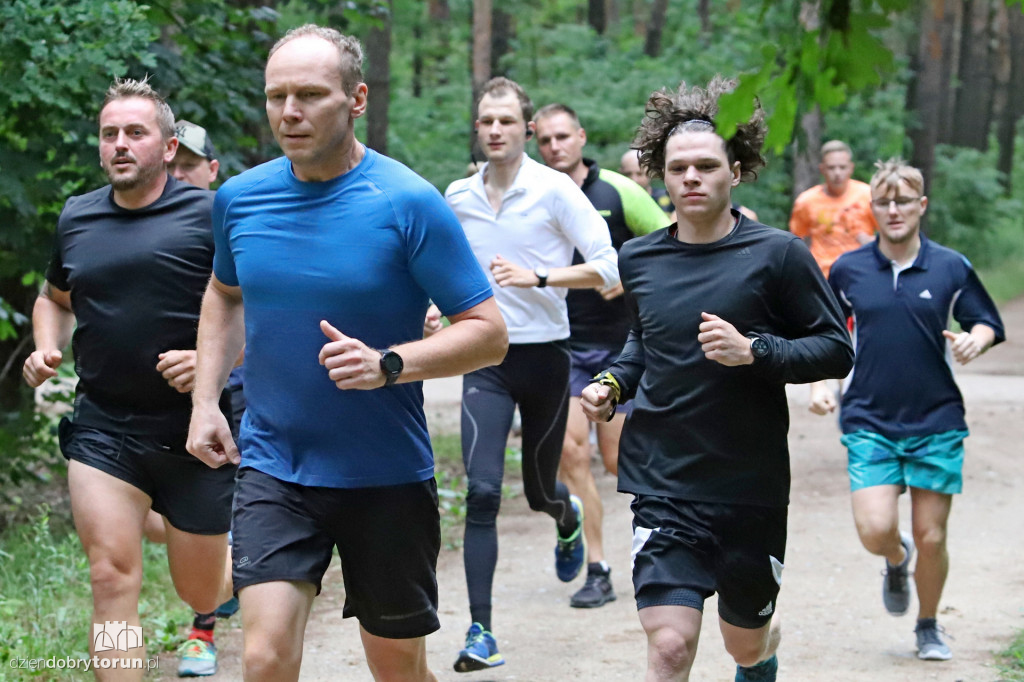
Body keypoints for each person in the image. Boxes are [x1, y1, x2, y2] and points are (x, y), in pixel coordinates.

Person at [185, 25, 507, 682]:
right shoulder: (240, 200)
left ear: (356, 98)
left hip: (384, 476)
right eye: (277, 96)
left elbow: (488, 330)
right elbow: (224, 295)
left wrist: (391, 364)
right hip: (276, 467)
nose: (289, 112)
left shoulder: (408, 202)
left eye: (309, 94)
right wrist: (203, 402)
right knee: (265, 657)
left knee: (398, 669)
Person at [579, 77, 854, 682]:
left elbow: (836, 350)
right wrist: (612, 386)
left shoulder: (779, 255)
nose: (692, 178)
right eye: (678, 168)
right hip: (664, 477)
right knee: (671, 646)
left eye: (706, 165)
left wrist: (754, 350)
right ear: (661, 174)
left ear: (735, 169)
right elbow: (644, 343)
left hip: (748, 483)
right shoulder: (640, 258)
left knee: (746, 643)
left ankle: (761, 658)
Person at [22, 78, 236, 680]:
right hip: (104, 425)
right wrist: (45, 348)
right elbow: (55, 299)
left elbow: (265, 307)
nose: (120, 144)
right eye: (109, 133)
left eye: (135, 133)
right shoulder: (78, 216)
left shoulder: (212, 214)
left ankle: (241, 566)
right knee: (110, 576)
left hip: (197, 428)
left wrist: (212, 364)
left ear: (168, 148)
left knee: (201, 591)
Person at [444, 78, 619, 671]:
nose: (495, 130)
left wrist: (539, 278)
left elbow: (607, 267)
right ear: (478, 129)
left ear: (525, 129)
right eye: (486, 121)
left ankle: (565, 517)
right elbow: (440, 265)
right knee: (483, 491)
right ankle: (480, 631)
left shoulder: (554, 191)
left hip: (547, 357)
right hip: (483, 358)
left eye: (506, 122)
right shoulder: (459, 196)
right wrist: (433, 304)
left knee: (542, 489)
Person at [810, 158, 1004, 662]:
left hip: (935, 419)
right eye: (883, 201)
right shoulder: (849, 269)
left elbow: (985, 321)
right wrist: (823, 385)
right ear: (870, 208)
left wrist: (972, 342)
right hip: (869, 417)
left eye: (903, 201)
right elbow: (829, 340)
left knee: (932, 534)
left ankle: (928, 624)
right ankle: (897, 560)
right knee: (875, 528)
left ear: (922, 206)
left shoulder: (949, 265)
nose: (893, 210)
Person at [533, 102, 666, 609]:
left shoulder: (617, 190)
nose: (555, 147)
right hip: (559, 346)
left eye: (563, 137)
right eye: (545, 140)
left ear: (581, 137)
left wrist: (626, 277)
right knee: (570, 455)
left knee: (617, 460)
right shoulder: (531, 194)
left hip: (619, 349)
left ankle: (655, 546)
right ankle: (598, 566)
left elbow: (666, 243)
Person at [788, 140, 876, 278]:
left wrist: (873, 243)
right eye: (831, 167)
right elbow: (794, 241)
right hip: (821, 276)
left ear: (851, 168)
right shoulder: (806, 201)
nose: (837, 173)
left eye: (842, 167)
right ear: (822, 169)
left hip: (861, 273)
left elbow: (889, 235)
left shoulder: (868, 196)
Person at [620, 148, 674, 215]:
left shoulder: (669, 198)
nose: (634, 180)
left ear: (650, 173)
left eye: (639, 174)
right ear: (620, 173)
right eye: (628, 174)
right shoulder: (615, 201)